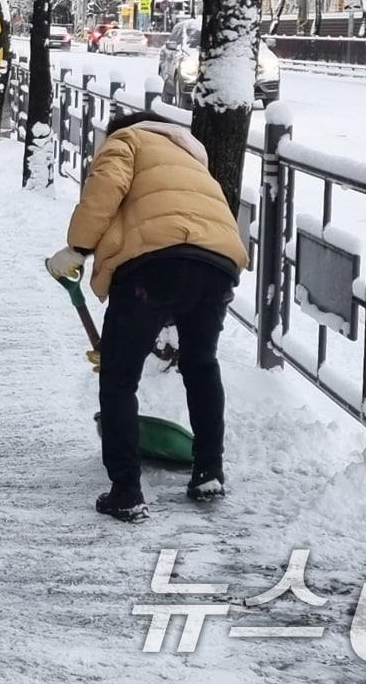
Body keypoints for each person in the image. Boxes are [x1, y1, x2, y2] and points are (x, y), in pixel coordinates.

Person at [46, 111, 248, 523]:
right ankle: (209, 471)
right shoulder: (190, 157)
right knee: (201, 363)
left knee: (119, 377)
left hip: (152, 266)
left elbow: (105, 189)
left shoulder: (128, 141)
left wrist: (77, 248)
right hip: (218, 265)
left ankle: (126, 491)